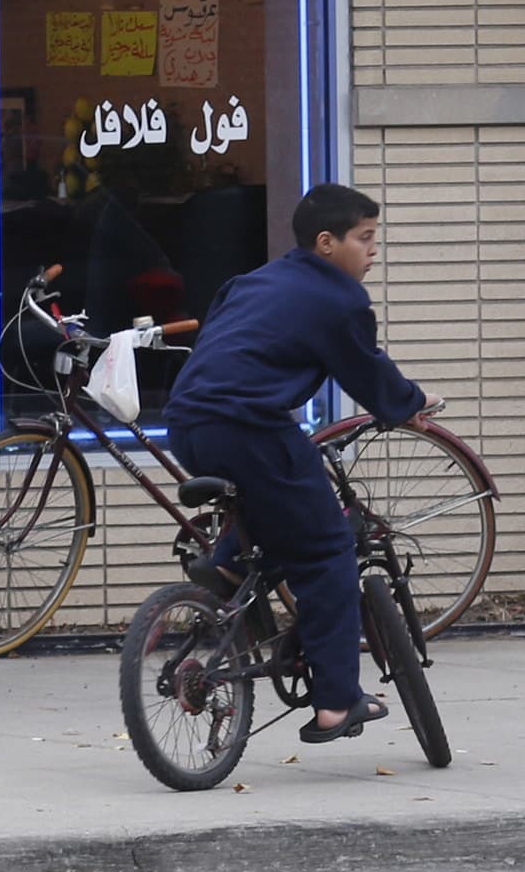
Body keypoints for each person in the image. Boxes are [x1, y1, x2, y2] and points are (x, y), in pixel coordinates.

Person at [161, 182, 441, 741]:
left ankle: (228, 566)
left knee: (273, 499)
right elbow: (366, 371)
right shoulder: (339, 300)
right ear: (326, 243)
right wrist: (409, 403)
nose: (373, 250)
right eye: (364, 239)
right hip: (251, 428)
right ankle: (338, 703)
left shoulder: (253, 281)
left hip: (189, 423)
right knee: (326, 551)